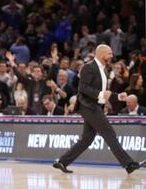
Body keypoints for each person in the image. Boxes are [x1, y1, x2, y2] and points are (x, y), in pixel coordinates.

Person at [53, 45, 146, 174]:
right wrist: (101, 95)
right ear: (101, 54)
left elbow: (105, 93)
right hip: (88, 107)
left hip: (95, 107)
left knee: (86, 139)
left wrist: (118, 96)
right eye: (109, 53)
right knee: (109, 134)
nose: (112, 56)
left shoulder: (105, 71)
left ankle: (62, 161)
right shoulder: (88, 67)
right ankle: (129, 164)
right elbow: (83, 88)